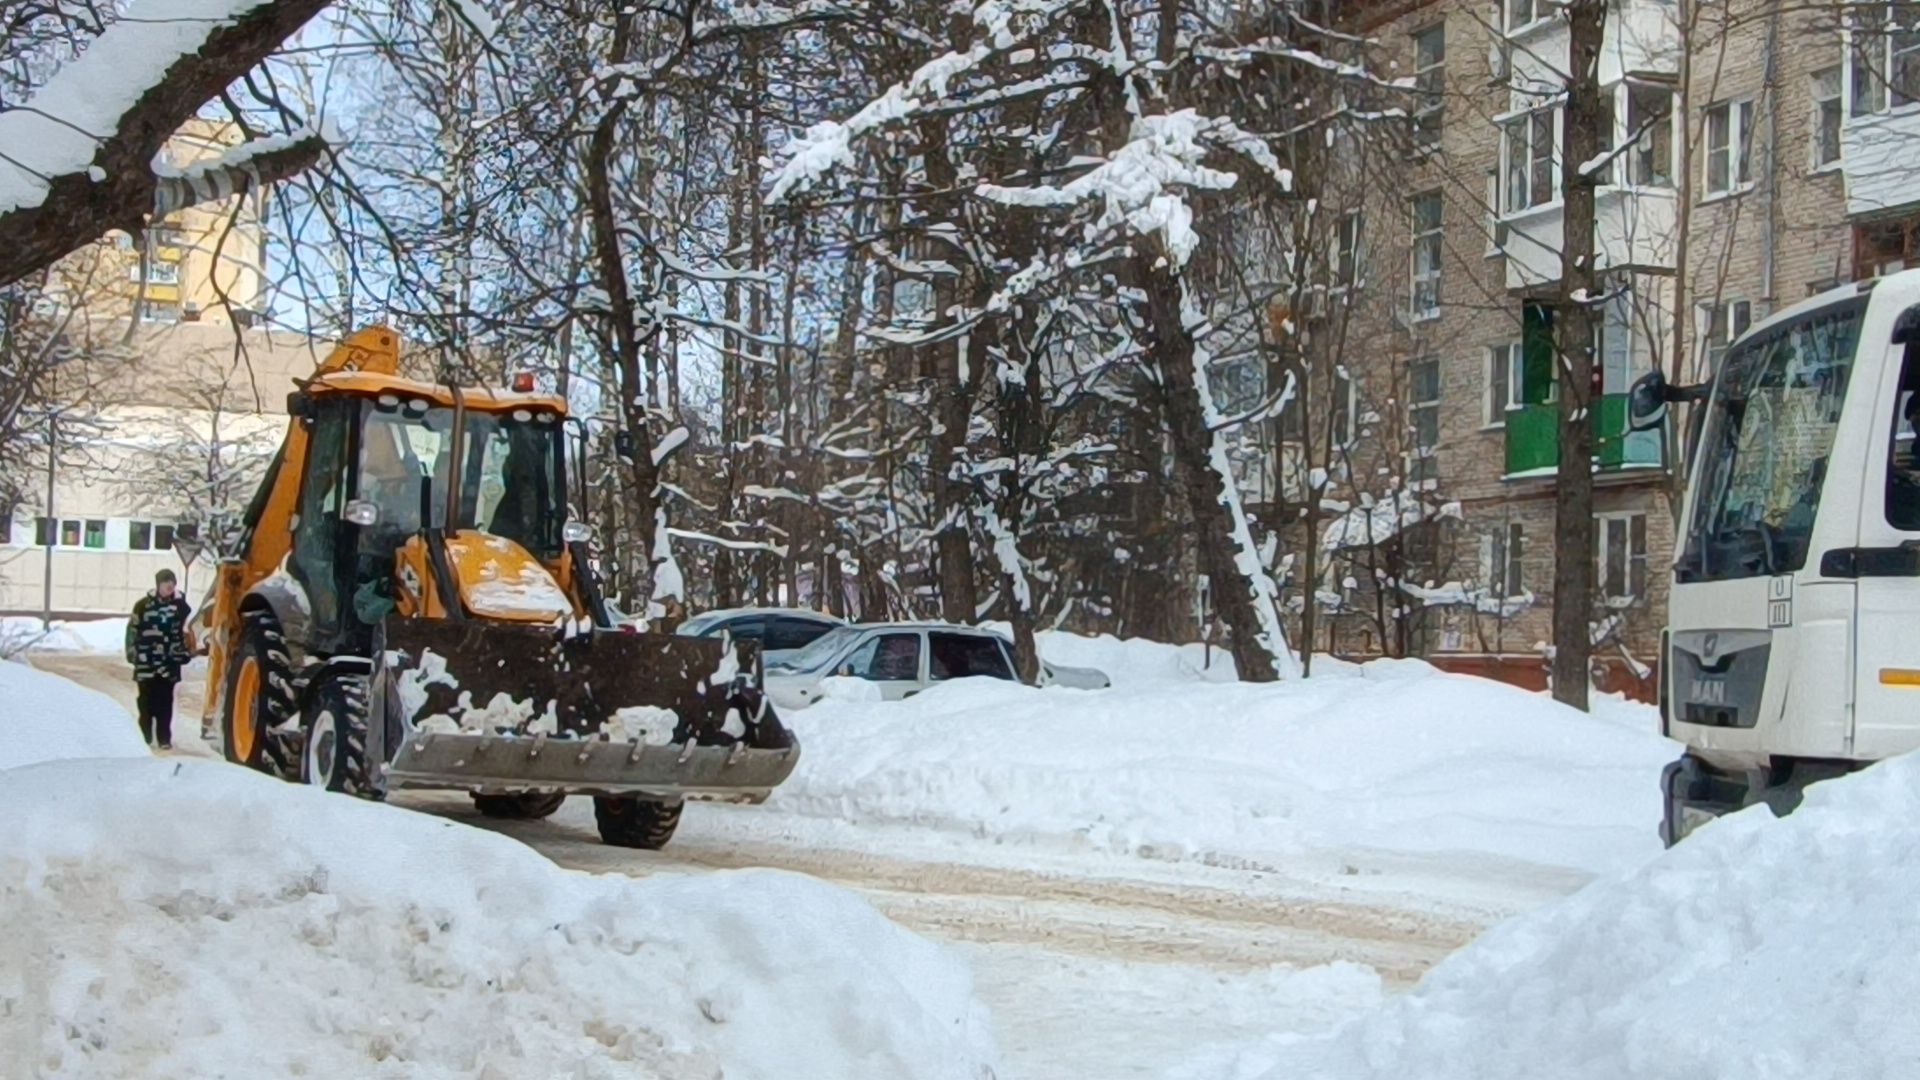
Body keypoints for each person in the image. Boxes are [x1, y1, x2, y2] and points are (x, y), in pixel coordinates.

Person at [126, 568, 192, 750]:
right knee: (145, 701)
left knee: (165, 702)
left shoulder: (180, 608)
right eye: (166, 582)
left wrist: (183, 654)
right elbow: (132, 630)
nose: (169, 586)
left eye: (172, 582)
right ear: (158, 584)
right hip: (145, 662)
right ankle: (144, 737)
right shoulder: (142, 605)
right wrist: (132, 653)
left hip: (168, 664)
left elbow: (187, 632)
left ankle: (164, 739)